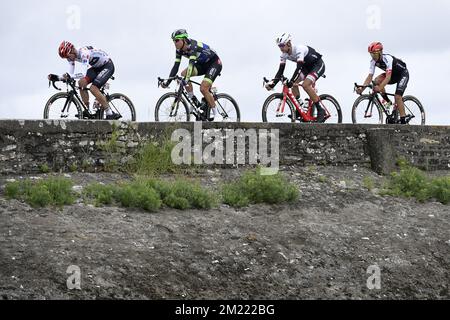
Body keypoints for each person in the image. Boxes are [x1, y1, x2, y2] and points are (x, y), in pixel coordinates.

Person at [161, 29, 222, 121]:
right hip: (202, 64)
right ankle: (193, 102)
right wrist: (168, 82)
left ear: (184, 40)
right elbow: (176, 66)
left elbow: (191, 64)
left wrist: (186, 80)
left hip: (214, 63)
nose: (175, 43)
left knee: (203, 88)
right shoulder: (178, 50)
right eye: (173, 41)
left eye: (177, 40)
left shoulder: (193, 46)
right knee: (183, 74)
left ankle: (217, 114)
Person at [265, 33, 326, 123]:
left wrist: (292, 81)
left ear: (288, 43)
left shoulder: (299, 49)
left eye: (282, 45)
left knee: (305, 85)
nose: (281, 48)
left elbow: (299, 68)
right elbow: (280, 71)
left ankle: (321, 110)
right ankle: (299, 107)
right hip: (306, 68)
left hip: (317, 65)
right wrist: (273, 84)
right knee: (293, 84)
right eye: (279, 46)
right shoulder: (283, 55)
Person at [52, 41, 120, 120]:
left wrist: (69, 76)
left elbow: (82, 74)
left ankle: (109, 113)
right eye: (66, 58)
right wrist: (58, 77)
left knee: (93, 89)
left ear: (72, 50)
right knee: (81, 83)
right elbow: (70, 74)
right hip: (96, 68)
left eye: (68, 56)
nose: (68, 59)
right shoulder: (71, 56)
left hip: (107, 66)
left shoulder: (84, 53)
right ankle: (87, 110)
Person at [356, 42, 409, 124]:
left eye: (375, 55)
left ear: (380, 53)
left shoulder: (388, 59)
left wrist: (380, 88)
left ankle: (403, 120)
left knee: (397, 96)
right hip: (392, 75)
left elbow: (388, 78)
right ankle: (388, 102)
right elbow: (369, 77)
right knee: (376, 81)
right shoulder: (373, 62)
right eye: (371, 55)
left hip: (402, 74)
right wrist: (362, 88)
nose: (373, 57)